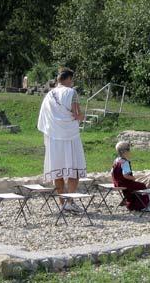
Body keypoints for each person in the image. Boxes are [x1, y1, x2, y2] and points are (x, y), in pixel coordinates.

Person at [37, 68, 86, 212]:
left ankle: (61, 202)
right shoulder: (71, 92)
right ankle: (70, 201)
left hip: (53, 137)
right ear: (68, 79)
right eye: (71, 80)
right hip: (70, 136)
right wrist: (83, 118)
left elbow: (44, 119)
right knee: (74, 170)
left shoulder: (49, 95)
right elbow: (76, 114)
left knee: (57, 170)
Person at [112, 142, 150, 211]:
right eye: (129, 150)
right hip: (125, 183)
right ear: (125, 152)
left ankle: (132, 204)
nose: (130, 152)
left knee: (133, 189)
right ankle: (143, 206)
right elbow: (125, 175)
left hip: (117, 183)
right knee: (142, 186)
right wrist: (133, 178)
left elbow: (112, 172)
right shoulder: (125, 162)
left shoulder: (116, 160)